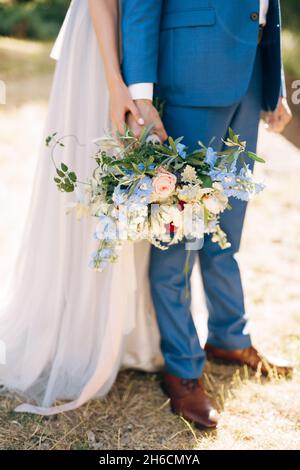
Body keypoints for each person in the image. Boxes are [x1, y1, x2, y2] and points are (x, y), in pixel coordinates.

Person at [120, 0, 293, 428]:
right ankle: (182, 364)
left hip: (252, 69)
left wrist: (275, 85)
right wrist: (140, 96)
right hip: (191, 72)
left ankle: (229, 337)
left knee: (228, 223)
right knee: (181, 228)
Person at [0, 0, 163, 416]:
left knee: (141, 181)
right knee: (97, 174)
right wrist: (114, 82)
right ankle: (80, 332)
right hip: (102, 46)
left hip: (145, 41)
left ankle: (132, 333)